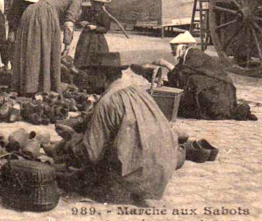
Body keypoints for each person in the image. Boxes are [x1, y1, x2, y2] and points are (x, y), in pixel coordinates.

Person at [57, 52, 179, 203]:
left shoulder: (107, 102)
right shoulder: (138, 91)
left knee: (69, 179)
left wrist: (71, 138)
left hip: (133, 181)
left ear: (102, 76)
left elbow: (90, 153)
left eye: (91, 74)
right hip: (161, 173)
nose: (88, 78)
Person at [153, 31, 256, 121]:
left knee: (195, 81)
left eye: (174, 50)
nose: (172, 53)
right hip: (216, 92)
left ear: (183, 48)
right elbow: (180, 75)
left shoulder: (194, 55)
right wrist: (165, 83)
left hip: (217, 94)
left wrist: (166, 64)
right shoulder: (187, 57)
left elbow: (183, 75)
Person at [12, 0, 87, 95]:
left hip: (30, 12)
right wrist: (67, 43)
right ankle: (43, 86)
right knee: (46, 49)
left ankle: (28, 85)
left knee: (34, 48)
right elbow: (69, 23)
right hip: (44, 14)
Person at [5, 0, 44, 68]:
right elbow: (13, 16)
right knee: (16, 47)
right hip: (19, 25)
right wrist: (11, 31)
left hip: (34, 25)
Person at [74, 0, 112, 69]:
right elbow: (77, 23)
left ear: (101, 4)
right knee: (82, 55)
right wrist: (81, 23)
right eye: (93, 2)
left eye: (97, 3)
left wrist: (96, 27)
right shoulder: (87, 11)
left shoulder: (104, 14)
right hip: (85, 37)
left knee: (96, 57)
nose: (94, 4)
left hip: (97, 39)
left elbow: (105, 29)